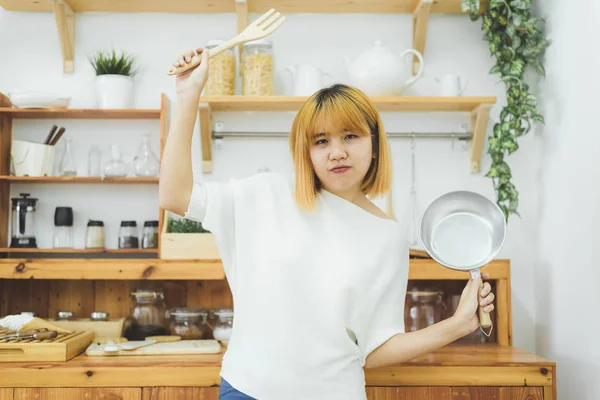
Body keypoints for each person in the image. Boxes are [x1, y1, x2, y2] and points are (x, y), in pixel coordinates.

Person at [160, 48, 496, 400]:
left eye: (350, 136)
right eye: (321, 141)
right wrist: (188, 94)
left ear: (375, 145)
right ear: (306, 152)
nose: (337, 152)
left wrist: (458, 325)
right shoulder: (263, 194)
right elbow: (174, 194)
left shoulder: (388, 234)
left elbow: (375, 347)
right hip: (248, 390)